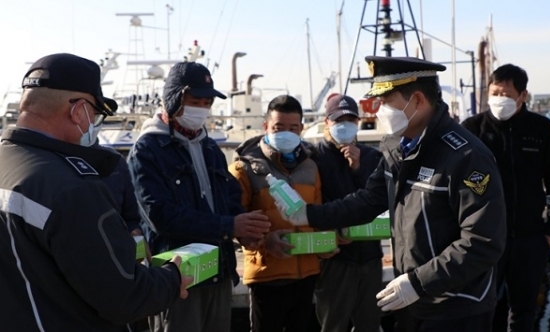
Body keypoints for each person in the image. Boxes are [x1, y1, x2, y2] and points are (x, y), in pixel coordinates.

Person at [281, 56, 507, 331]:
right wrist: (309, 214)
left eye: (386, 101)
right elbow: (368, 200)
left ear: (418, 101)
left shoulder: (466, 156)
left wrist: (418, 282)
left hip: (456, 305)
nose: (379, 109)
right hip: (410, 301)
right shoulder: (396, 146)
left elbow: (483, 242)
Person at [0, 53, 191, 331]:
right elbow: (124, 295)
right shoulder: (72, 188)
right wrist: (173, 278)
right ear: (78, 111)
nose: (94, 124)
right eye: (96, 114)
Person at [128, 62, 271, 332]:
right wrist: (229, 226)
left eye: (207, 102)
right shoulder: (146, 151)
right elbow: (160, 214)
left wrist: (245, 229)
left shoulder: (210, 148)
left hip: (217, 272)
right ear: (173, 100)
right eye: (196, 101)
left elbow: (229, 196)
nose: (202, 109)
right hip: (177, 278)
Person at [461, 64, 550, 332]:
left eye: (506, 94)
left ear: (523, 96)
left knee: (524, 309)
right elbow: (456, 184)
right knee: (481, 307)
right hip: (484, 237)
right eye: (494, 93)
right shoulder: (472, 129)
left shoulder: (542, 129)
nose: (499, 99)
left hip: (529, 238)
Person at [228, 95, 325, 332]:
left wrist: (326, 243)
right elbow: (232, 224)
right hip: (267, 274)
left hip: (307, 272)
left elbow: (319, 214)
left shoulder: (311, 166)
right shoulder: (243, 168)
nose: (286, 133)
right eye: (278, 127)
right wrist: (264, 242)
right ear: (266, 127)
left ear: (302, 128)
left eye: (293, 128)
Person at [311, 94, 384, 332]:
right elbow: (312, 203)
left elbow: (377, 200)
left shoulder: (372, 156)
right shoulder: (314, 157)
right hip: (335, 258)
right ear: (327, 122)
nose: (345, 125)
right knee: (333, 324)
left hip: (370, 256)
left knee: (370, 324)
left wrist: (358, 169)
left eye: (350, 119)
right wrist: (329, 231)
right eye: (338, 119)